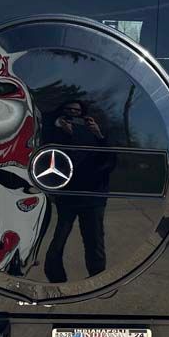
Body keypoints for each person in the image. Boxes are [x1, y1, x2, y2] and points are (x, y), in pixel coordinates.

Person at [44, 100, 113, 282]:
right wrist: (64, 131)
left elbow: (109, 160)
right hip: (68, 194)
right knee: (59, 238)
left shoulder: (94, 133)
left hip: (93, 194)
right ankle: (55, 277)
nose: (73, 113)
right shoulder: (55, 131)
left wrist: (98, 134)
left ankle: (97, 279)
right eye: (68, 110)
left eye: (77, 111)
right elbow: (51, 154)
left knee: (94, 239)